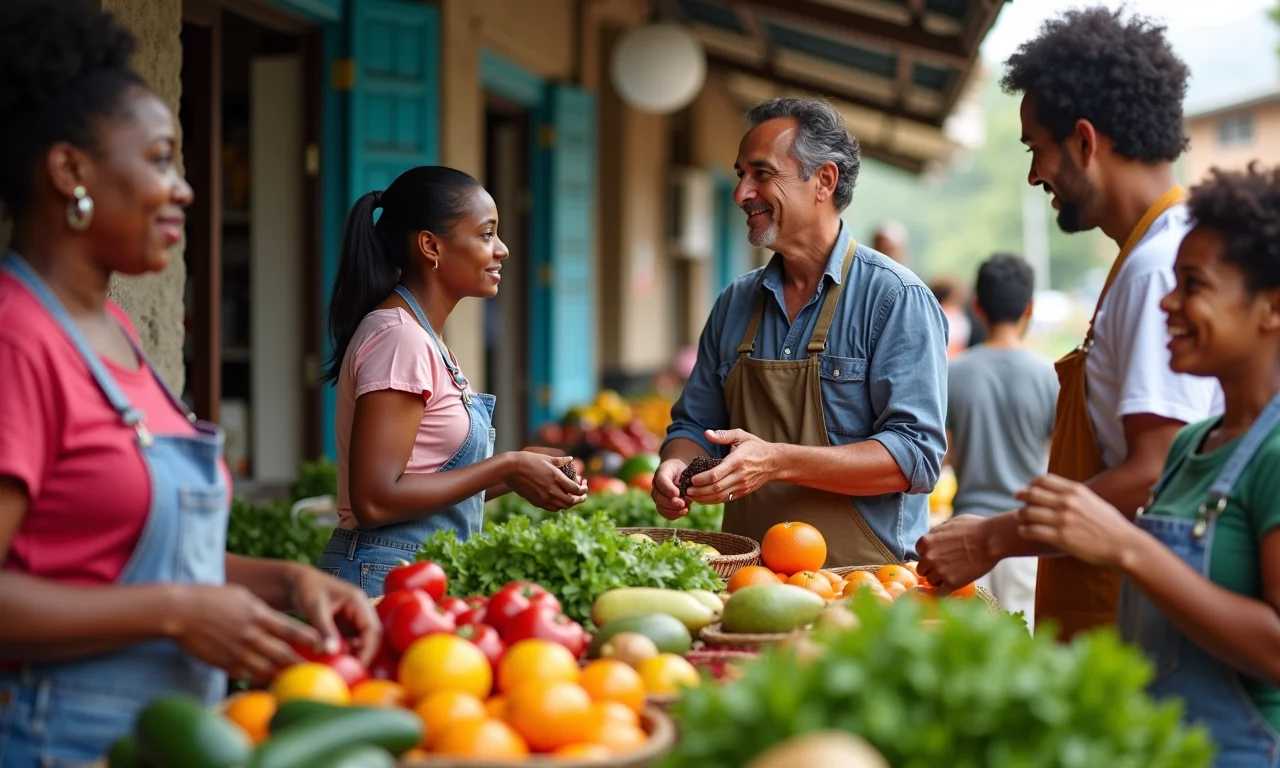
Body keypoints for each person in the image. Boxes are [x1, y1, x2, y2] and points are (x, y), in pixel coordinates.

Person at [0, 1, 380, 762]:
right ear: (70, 169)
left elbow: (118, 557)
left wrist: (285, 583)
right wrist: (175, 612)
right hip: (54, 739)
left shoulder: (117, 333)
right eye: (161, 159)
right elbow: (158, 594)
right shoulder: (17, 337)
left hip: (166, 736)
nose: (185, 189)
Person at [916, 6, 1222, 641]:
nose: (1034, 175)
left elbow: (1154, 468)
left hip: (1128, 625)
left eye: (1038, 150)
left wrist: (993, 537)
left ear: (1085, 141)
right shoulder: (1147, 256)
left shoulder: (1158, 270)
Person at [1016, 164, 1280, 764]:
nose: (1167, 300)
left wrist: (1130, 549)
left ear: (1270, 307)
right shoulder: (1193, 446)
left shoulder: (1273, 454)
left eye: (1193, 285)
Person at [652, 97, 949, 567]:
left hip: (864, 587)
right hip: (749, 584)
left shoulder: (894, 299)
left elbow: (914, 456)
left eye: (762, 174)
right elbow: (693, 425)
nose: (741, 193)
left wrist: (776, 461)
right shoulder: (735, 302)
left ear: (824, 181)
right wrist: (674, 463)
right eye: (739, 175)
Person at [317, 166, 587, 597]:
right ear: (430, 245)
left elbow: (426, 479)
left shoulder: (422, 336)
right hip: (381, 578)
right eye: (485, 234)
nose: (503, 250)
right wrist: (507, 464)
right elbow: (375, 499)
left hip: (409, 573)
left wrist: (519, 472)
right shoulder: (400, 338)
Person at [946, 255, 1058, 626]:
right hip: (1025, 534)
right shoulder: (1051, 376)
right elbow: (1060, 458)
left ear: (978, 307)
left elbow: (939, 455)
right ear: (1029, 308)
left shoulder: (953, 373)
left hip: (964, 537)